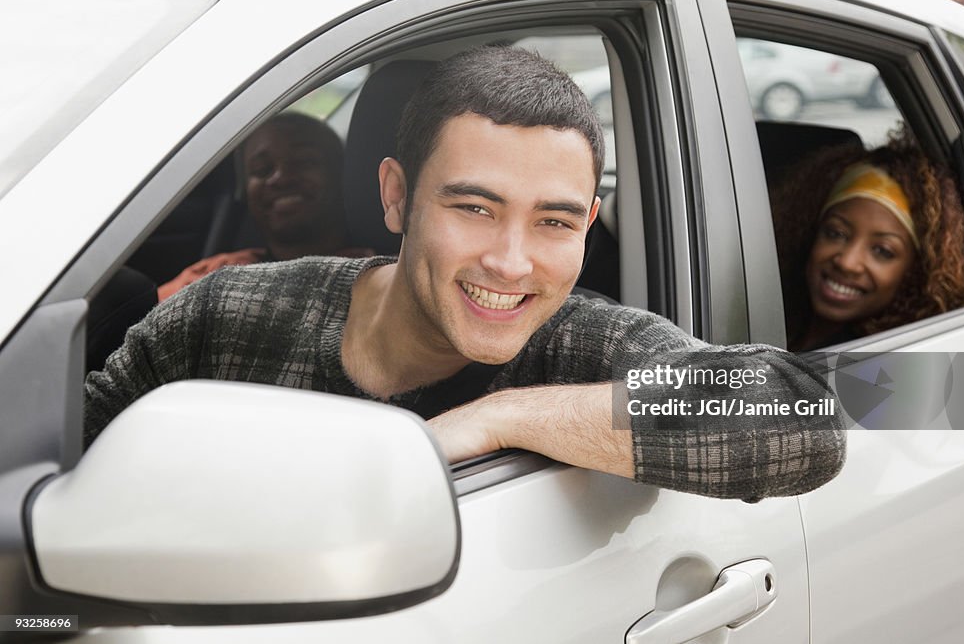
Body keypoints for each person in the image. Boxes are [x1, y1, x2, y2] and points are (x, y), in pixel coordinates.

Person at [85, 45, 846, 501]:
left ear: (585, 226)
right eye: (474, 208)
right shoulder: (225, 315)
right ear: (396, 197)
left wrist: (502, 417)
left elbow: (806, 414)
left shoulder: (581, 346)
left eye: (553, 221)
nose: (512, 263)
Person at [773, 127, 964, 351]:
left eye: (882, 251)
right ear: (810, 232)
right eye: (836, 233)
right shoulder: (769, 311)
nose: (847, 262)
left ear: (915, 272)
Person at [157, 112, 372, 301]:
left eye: (304, 162)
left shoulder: (377, 276)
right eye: (262, 169)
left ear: (342, 175)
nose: (280, 178)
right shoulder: (212, 274)